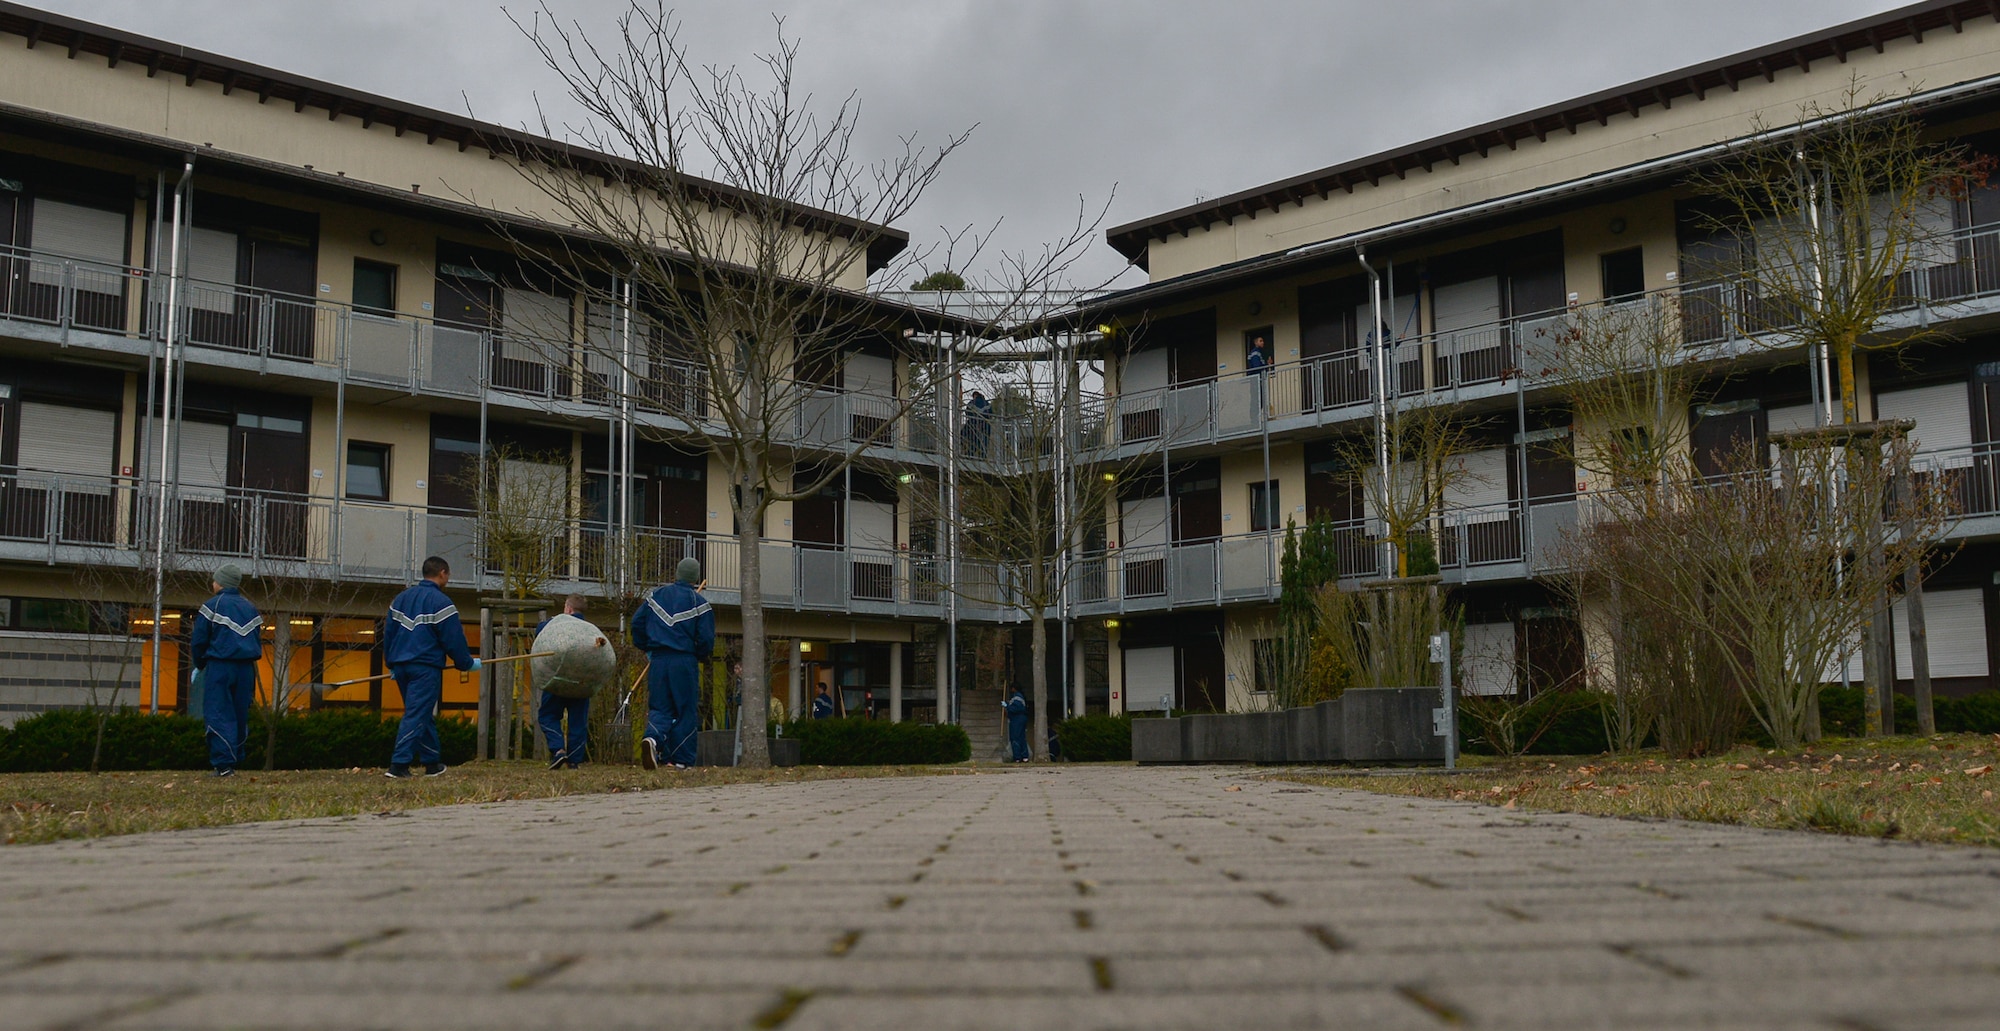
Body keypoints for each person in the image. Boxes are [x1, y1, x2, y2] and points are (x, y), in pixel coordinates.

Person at [383, 556, 479, 779]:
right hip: (425, 667)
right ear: (442, 573)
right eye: (448, 575)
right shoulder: (442, 603)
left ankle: (432, 762)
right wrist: (466, 663)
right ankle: (399, 765)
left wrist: (391, 663)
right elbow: (453, 638)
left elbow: (388, 634)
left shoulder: (400, 599)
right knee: (417, 713)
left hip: (401, 666)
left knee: (422, 712)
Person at [631, 556, 714, 770]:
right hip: (684, 661)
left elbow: (636, 623)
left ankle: (653, 739)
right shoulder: (700, 604)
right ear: (695, 578)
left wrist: (647, 647)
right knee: (685, 710)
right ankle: (680, 759)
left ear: (676, 573)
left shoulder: (655, 596)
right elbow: (706, 639)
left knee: (660, 707)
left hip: (658, 660)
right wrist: (699, 655)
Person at [189, 564, 261, 778]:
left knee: (218, 713)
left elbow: (199, 640)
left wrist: (200, 664)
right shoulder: (250, 608)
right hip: (246, 669)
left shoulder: (212, 606)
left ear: (220, 582)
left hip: (220, 667)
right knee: (240, 713)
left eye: (214, 580)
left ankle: (223, 765)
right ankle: (235, 759)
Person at [535, 594, 591, 771]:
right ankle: (574, 761)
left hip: (558, 680)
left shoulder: (557, 624)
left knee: (548, 716)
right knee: (578, 720)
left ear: (568, 608)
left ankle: (558, 750)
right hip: (581, 682)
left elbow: (540, 634)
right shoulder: (590, 629)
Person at [962, 389, 991, 457]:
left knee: (973, 440)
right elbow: (991, 413)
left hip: (974, 424)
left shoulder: (972, 402)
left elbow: (967, 412)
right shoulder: (987, 403)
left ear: (975, 395)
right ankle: (983, 456)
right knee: (985, 442)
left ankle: (970, 454)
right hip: (986, 425)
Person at [1004, 688, 1029, 763]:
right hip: (1018, 720)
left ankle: (1018, 757)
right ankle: (1024, 756)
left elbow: (1015, 709)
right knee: (1021, 738)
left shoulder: (1017, 697)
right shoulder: (1017, 697)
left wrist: (1007, 706)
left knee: (1015, 738)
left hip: (1017, 721)